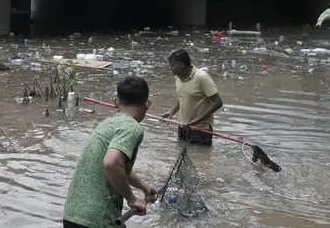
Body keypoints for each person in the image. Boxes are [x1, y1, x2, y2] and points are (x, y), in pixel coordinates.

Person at [63, 76, 156, 228]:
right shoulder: (131, 127)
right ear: (147, 104)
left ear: (115, 102)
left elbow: (119, 166)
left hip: (74, 215)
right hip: (98, 219)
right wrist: (131, 198)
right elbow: (111, 163)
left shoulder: (108, 123)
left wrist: (143, 186)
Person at [160, 49, 223, 146]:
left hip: (201, 129)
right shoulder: (178, 77)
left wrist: (195, 121)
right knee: (183, 155)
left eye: (172, 65)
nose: (170, 68)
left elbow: (218, 102)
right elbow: (183, 96)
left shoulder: (202, 77)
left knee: (201, 158)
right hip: (183, 126)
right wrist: (171, 112)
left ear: (181, 65)